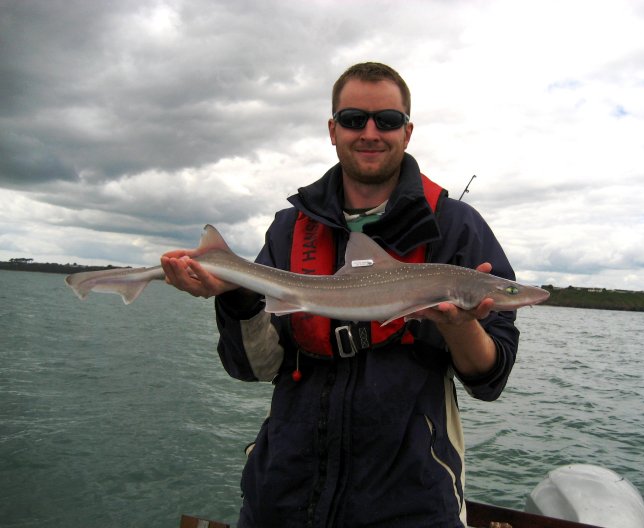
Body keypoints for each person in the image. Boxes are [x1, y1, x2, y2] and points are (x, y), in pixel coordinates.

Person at [162, 62, 520, 528]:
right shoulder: (290, 228)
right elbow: (254, 367)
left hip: (409, 502)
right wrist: (237, 296)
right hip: (283, 495)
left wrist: (463, 325)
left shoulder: (455, 226)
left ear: (407, 132)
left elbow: (490, 379)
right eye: (354, 119)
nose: (370, 132)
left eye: (387, 121)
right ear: (333, 130)